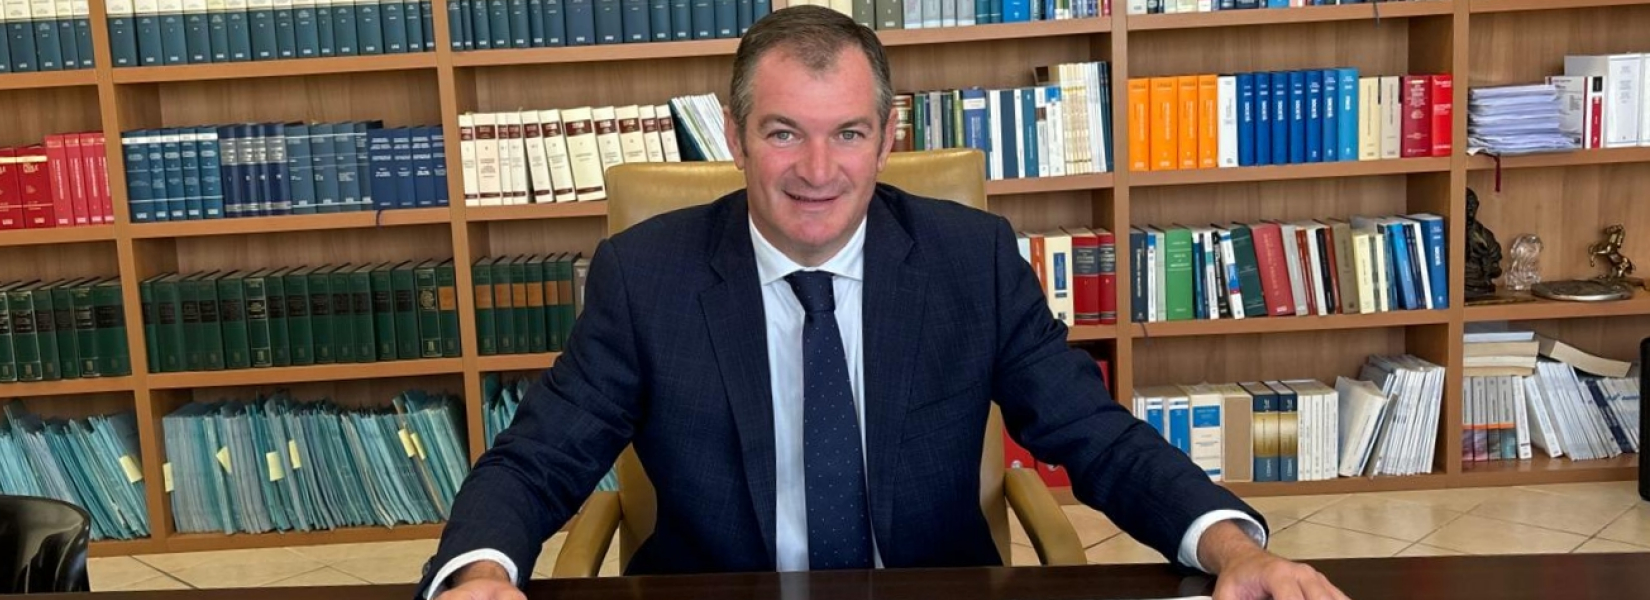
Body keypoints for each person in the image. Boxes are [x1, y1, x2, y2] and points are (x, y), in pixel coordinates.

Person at [418, 6, 1350, 600]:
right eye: (785, 133)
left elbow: (1093, 435)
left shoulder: (970, 260)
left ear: (888, 136)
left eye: (848, 134)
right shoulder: (645, 275)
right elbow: (540, 458)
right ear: (736, 136)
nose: (818, 171)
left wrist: (1232, 549)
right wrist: (481, 571)